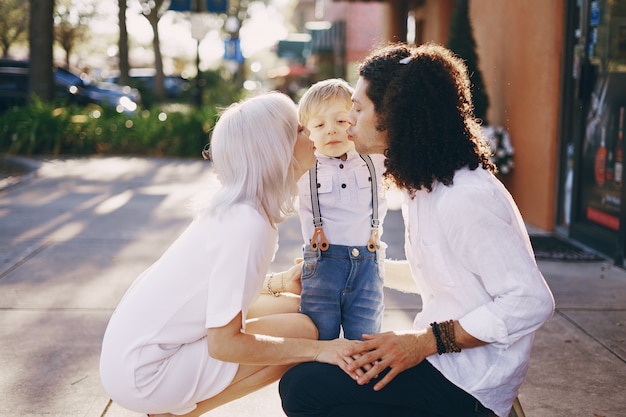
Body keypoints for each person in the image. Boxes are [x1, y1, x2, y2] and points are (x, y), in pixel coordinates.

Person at [279, 43, 555, 417]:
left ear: (393, 116)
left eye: (358, 109)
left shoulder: (464, 198)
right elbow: (443, 276)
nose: (349, 120)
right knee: (304, 380)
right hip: (442, 363)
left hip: (469, 385)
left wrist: (422, 342)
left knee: (307, 391)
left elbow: (530, 301)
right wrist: (346, 266)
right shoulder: (424, 184)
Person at [99, 92, 355, 417]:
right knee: (305, 331)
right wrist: (320, 351)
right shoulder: (248, 225)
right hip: (147, 375)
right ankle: (175, 414)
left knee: (297, 309)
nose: (311, 135)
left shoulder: (237, 209)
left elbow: (216, 301)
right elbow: (224, 343)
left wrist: (277, 283)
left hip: (129, 362)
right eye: (300, 130)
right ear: (277, 149)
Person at [296, 78, 388, 341]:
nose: (331, 131)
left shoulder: (374, 160)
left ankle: (360, 382)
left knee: (366, 343)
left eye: (340, 121)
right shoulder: (303, 168)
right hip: (322, 270)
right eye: (319, 125)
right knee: (319, 340)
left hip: (368, 272)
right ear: (306, 132)